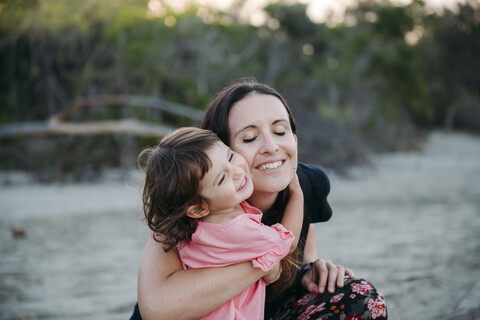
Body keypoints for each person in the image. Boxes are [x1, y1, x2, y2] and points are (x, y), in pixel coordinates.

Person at [130, 79, 387, 320]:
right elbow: (156, 306)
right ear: (219, 148)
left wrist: (312, 268)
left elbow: (304, 238)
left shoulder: (307, 183)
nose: (271, 146)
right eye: (250, 138)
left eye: (280, 131)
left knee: (360, 298)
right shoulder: (189, 207)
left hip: (264, 310)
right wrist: (263, 265)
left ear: (295, 141)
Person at [136, 126, 304, 319]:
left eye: (231, 157)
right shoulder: (237, 229)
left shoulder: (192, 225)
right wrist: (297, 193)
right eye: (223, 178)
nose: (237, 172)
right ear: (198, 209)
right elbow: (287, 243)